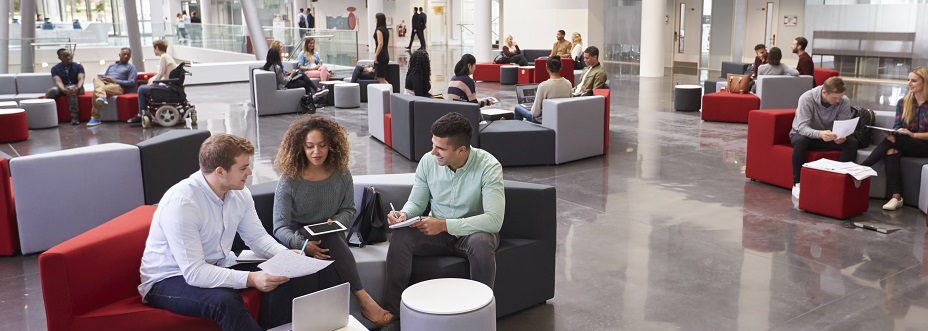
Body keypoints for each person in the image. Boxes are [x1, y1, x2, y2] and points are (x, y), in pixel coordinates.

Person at [138, 134, 294, 331]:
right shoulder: (183, 204)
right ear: (220, 172)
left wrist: (285, 256)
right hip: (168, 279)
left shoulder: (239, 192)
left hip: (216, 264)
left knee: (281, 275)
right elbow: (195, 273)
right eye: (243, 168)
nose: (250, 172)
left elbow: (257, 237)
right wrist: (251, 278)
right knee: (225, 300)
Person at [382, 112, 505, 324]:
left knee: (482, 242)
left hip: (473, 233)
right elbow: (417, 203)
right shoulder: (428, 162)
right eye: (433, 144)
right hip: (437, 233)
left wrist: (445, 225)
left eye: (441, 148)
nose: (433, 152)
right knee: (401, 236)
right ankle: (394, 313)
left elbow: (494, 220)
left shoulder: (489, 166)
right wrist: (404, 214)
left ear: (461, 150)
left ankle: (479, 315)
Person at [272, 115, 394, 326]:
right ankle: (362, 299)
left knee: (329, 239)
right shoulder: (290, 180)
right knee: (329, 242)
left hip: (331, 233)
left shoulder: (341, 173)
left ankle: (326, 323)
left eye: (322, 145)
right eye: (309, 146)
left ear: (331, 146)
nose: (316, 152)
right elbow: (279, 227)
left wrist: (337, 221)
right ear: (300, 146)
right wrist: (303, 245)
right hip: (299, 234)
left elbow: (348, 209)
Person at [859, 67, 928, 210]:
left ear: (925, 82)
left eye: (913, 80)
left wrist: (912, 135)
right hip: (905, 143)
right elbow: (897, 126)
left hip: (924, 146)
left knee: (895, 142)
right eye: (908, 80)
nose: (909, 83)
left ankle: (862, 167)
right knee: (891, 150)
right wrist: (893, 132)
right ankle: (896, 197)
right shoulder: (903, 102)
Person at [789, 77, 858, 198]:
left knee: (851, 142)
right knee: (801, 141)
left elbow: (843, 124)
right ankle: (797, 183)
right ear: (824, 92)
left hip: (829, 136)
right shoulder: (807, 98)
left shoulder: (843, 101)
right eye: (835, 98)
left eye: (840, 97)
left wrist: (842, 136)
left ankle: (840, 181)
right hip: (804, 135)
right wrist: (820, 134)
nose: (838, 100)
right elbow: (802, 128)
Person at [130, 39, 177, 124]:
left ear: (157, 48)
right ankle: (145, 111)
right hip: (171, 85)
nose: (154, 51)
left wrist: (152, 83)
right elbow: (160, 74)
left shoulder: (163, 57)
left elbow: (160, 74)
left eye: (154, 49)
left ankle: (141, 113)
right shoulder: (167, 56)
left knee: (141, 89)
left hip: (167, 87)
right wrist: (151, 80)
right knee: (145, 88)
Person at [88, 48, 137, 127]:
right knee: (96, 79)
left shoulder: (131, 67)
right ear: (119, 55)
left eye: (128, 55)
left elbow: (131, 82)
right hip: (107, 83)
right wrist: (106, 79)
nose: (126, 56)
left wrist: (115, 80)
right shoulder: (111, 66)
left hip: (118, 86)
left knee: (96, 91)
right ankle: (102, 96)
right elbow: (105, 76)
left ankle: (95, 118)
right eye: (124, 54)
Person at [514, 56, 571, 124]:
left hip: (543, 120)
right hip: (560, 118)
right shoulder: (568, 84)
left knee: (518, 108)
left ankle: (517, 131)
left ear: (547, 68)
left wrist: (532, 108)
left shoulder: (543, 86)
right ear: (561, 67)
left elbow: (535, 113)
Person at [45, 48, 85, 125]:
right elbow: (58, 81)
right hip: (63, 87)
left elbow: (81, 79)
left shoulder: (78, 66)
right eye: (65, 56)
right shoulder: (55, 68)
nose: (68, 57)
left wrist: (78, 87)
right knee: (51, 91)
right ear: (60, 57)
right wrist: (63, 89)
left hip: (77, 87)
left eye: (69, 55)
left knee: (72, 89)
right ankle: (47, 116)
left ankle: (75, 117)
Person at [373, 13, 390, 84]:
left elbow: (380, 43)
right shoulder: (386, 30)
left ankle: (390, 92)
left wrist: (375, 55)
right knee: (380, 78)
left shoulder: (379, 30)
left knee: (380, 79)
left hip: (381, 55)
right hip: (385, 54)